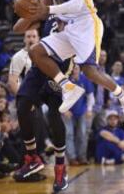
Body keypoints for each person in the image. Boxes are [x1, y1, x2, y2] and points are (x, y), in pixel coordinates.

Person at [21, 0, 124, 127]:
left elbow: (76, 5)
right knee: (36, 52)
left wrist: (49, 10)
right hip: (68, 29)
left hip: (87, 25)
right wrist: (26, 16)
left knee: (90, 72)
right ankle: (68, 87)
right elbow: (42, 12)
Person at [12, 17, 73, 192]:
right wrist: (28, 13)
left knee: (53, 115)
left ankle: (60, 167)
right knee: (22, 104)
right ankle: (32, 158)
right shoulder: (49, 3)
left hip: (61, 66)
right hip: (40, 64)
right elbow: (18, 27)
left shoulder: (78, 8)